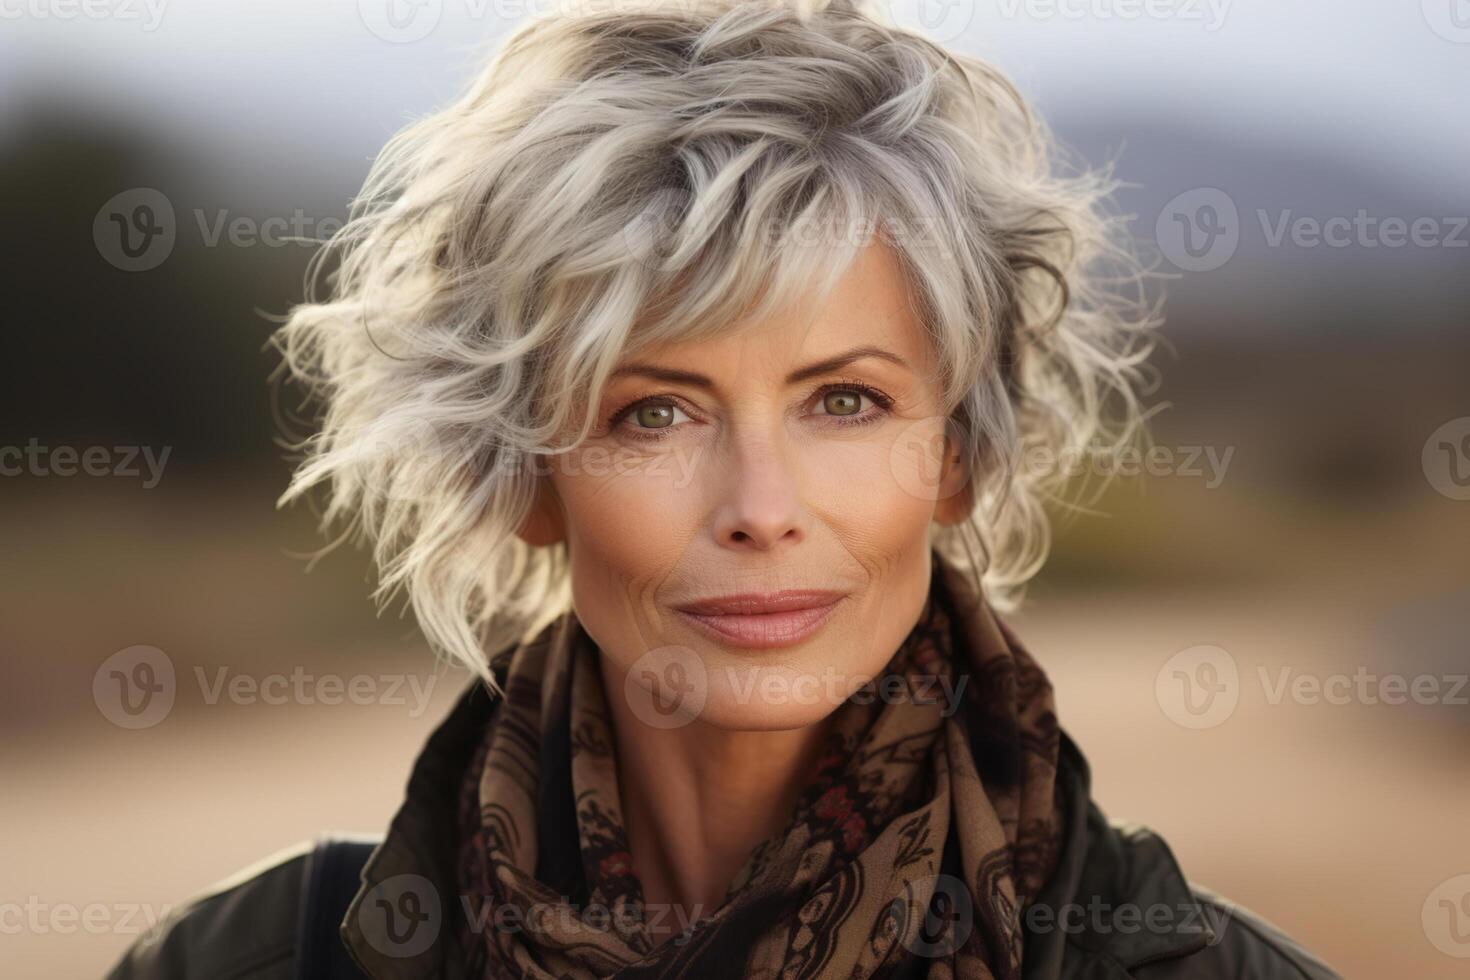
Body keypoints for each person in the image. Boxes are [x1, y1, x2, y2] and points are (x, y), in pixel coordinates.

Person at [107, 1, 1344, 976]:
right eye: (655, 411)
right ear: (527, 473)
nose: (760, 502)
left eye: (844, 401)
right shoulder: (252, 960)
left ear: (958, 451)